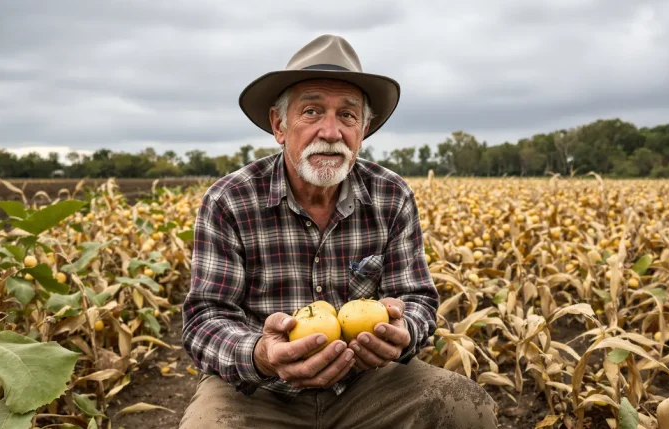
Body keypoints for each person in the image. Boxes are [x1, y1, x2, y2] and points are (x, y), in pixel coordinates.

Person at [180, 34, 498, 428]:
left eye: (347, 116)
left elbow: (416, 298)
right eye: (312, 111)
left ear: (363, 130)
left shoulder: (391, 195)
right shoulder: (230, 199)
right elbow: (205, 318)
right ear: (279, 124)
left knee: (467, 407)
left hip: (366, 387)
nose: (330, 132)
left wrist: (403, 331)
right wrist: (261, 353)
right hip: (259, 392)